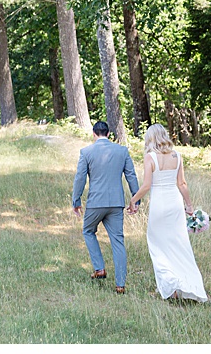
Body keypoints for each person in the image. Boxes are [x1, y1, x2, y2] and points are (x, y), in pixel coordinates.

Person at [127, 124, 208, 302]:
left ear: (150, 138)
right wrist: (189, 206)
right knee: (180, 244)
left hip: (159, 205)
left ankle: (170, 285)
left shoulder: (150, 157)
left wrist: (133, 200)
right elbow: (182, 184)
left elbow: (147, 185)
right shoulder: (177, 156)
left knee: (157, 245)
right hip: (175, 204)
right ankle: (189, 285)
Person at [72, 121, 139, 295]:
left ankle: (99, 268)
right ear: (109, 134)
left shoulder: (86, 152)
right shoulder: (122, 151)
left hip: (96, 202)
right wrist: (135, 200)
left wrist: (76, 200)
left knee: (88, 231)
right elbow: (131, 175)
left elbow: (80, 178)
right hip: (116, 203)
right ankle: (120, 285)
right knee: (118, 241)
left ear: (94, 134)